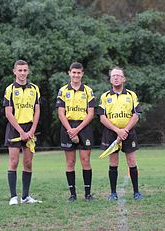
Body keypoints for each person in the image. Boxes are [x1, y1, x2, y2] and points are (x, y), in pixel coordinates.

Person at [97, 66, 143, 201]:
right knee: (113, 162)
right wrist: (118, 131)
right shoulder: (105, 96)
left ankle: (136, 192)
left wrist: (125, 130)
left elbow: (136, 115)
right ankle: (113, 193)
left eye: (118, 76)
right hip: (112, 133)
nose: (116, 78)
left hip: (129, 132)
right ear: (110, 80)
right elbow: (102, 117)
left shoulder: (131, 95)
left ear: (124, 79)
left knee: (132, 161)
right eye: (113, 76)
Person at [56, 62, 96, 202]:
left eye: (79, 73)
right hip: (68, 126)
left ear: (82, 74)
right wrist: (70, 130)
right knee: (70, 162)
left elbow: (90, 113)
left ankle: (88, 194)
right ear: (69, 73)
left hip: (83, 127)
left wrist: (77, 130)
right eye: (74, 72)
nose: (76, 75)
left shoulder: (88, 91)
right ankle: (72, 195)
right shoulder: (63, 91)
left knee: (85, 160)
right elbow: (61, 113)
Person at [3, 59, 41, 205]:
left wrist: (32, 129)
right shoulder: (10, 89)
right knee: (13, 162)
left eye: (25, 70)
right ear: (14, 71)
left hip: (30, 130)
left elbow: (37, 111)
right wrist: (21, 131)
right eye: (20, 70)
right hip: (15, 129)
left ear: (28, 71)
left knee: (28, 163)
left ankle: (25, 197)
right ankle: (13, 197)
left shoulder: (34, 89)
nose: (22, 73)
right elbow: (8, 113)